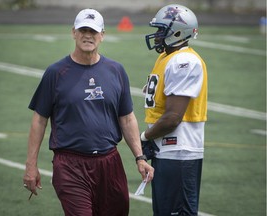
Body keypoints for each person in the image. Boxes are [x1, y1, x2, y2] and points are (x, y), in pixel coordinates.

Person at [23, 8, 154, 216]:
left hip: (109, 163)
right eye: (83, 30)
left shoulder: (116, 70)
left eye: (93, 31)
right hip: (70, 165)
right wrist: (31, 165)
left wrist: (140, 157)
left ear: (102, 35)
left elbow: (127, 118)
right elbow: (39, 120)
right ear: (73, 32)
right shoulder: (55, 73)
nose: (87, 35)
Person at [141, 4, 208, 216]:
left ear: (178, 32)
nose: (157, 35)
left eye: (162, 30)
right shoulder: (166, 57)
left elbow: (172, 118)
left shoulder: (184, 60)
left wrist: (144, 137)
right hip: (167, 151)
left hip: (180, 151)